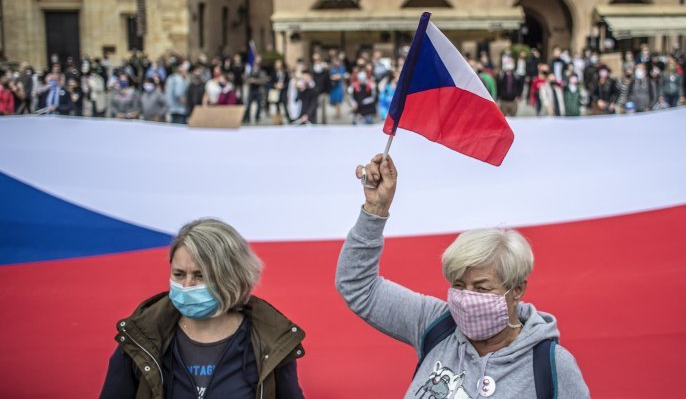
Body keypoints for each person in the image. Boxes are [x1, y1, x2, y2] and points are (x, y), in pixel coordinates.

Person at [336, 155, 589, 399]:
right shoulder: (435, 323)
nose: (467, 299)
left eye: (481, 288)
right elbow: (359, 285)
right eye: (459, 285)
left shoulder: (551, 365)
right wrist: (375, 209)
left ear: (518, 290)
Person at [99, 218, 305, 399]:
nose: (187, 286)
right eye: (179, 274)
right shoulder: (140, 336)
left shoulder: (271, 342)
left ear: (232, 278)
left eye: (200, 275)